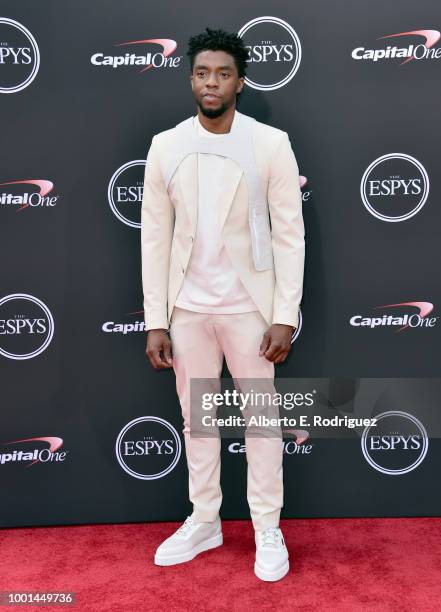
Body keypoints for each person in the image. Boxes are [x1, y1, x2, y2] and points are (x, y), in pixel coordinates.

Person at [141, 26, 305, 582]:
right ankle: (205, 521)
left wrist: (285, 315)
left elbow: (290, 235)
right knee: (198, 423)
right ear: (192, 79)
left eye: (224, 73)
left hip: (249, 310)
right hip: (188, 310)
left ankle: (266, 529)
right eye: (203, 73)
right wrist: (155, 320)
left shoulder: (269, 143)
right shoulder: (166, 145)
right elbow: (155, 239)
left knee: (261, 424)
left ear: (241, 81)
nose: (212, 82)